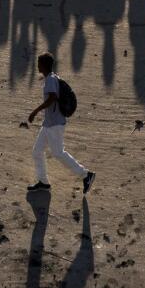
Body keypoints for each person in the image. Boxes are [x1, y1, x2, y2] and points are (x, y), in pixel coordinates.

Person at [26, 52, 95, 194]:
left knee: (58, 153)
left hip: (55, 124)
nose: (37, 66)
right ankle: (43, 182)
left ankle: (86, 175)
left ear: (44, 65)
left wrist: (35, 111)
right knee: (37, 151)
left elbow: (52, 98)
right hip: (48, 124)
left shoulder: (51, 79)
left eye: (39, 63)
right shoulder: (51, 78)